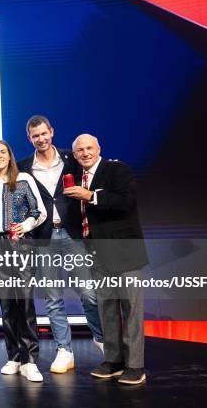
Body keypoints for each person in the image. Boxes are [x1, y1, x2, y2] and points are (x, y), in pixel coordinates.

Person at [18, 115, 103, 374]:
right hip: (44, 237)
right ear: (29, 138)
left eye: (44, 133)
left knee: (88, 292)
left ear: (52, 132)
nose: (41, 139)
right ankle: (64, 350)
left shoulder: (71, 159)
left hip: (72, 233)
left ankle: (101, 339)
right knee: (53, 298)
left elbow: (94, 176)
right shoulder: (23, 167)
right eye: (35, 136)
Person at [66, 134, 148, 385]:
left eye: (89, 148)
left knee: (131, 309)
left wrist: (90, 196)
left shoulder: (116, 169)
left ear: (99, 148)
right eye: (79, 150)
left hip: (124, 251)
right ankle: (113, 360)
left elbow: (125, 202)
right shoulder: (74, 178)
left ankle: (135, 365)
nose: (85, 153)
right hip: (97, 252)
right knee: (107, 309)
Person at [0, 140, 47, 382]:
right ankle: (14, 356)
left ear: (9, 156)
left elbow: (39, 212)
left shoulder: (24, 179)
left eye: (3, 152)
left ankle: (30, 359)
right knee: (7, 302)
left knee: (25, 300)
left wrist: (25, 226)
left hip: (21, 244)